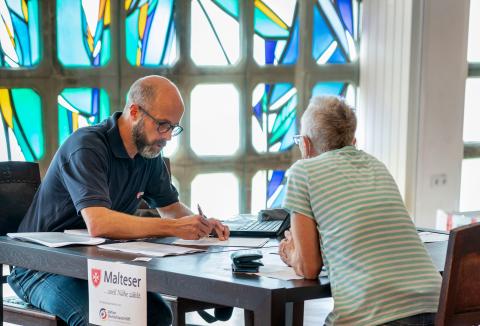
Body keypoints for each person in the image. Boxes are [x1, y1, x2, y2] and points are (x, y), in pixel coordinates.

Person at [8, 75, 230, 326]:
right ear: (134, 111)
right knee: (103, 320)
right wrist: (174, 227)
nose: (168, 137)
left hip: (97, 265)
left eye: (173, 128)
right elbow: (99, 224)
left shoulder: (149, 154)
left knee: (158, 315)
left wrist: (200, 224)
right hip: (42, 268)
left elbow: (170, 209)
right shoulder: (87, 148)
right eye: (162, 125)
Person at [279, 96, 441, 326]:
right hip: (437, 306)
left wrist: (291, 251)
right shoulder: (376, 165)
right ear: (353, 141)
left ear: (305, 144)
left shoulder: (303, 171)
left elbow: (309, 268)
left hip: (376, 316)